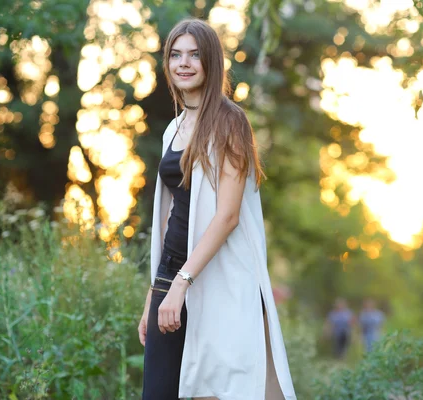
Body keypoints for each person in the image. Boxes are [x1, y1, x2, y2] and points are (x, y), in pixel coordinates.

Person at [137, 18, 297, 400]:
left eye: (194, 54)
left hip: (218, 282)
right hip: (171, 278)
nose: (184, 63)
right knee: (158, 392)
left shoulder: (230, 123)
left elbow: (227, 215)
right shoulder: (172, 130)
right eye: (175, 55)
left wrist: (181, 284)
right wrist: (155, 292)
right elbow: (170, 214)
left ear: (211, 62)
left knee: (217, 390)